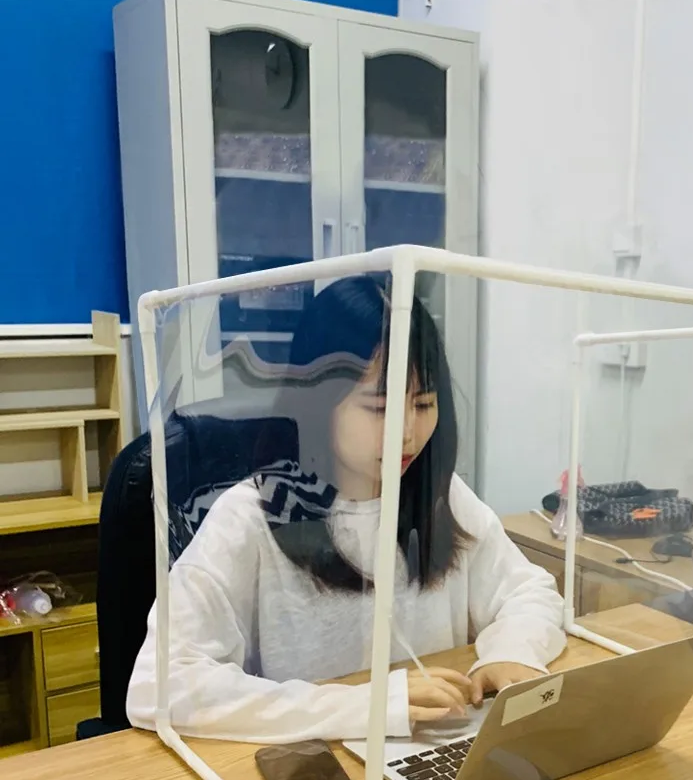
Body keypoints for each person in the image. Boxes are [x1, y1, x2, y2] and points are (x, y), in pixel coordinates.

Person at [126, 275, 566, 743]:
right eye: (379, 408)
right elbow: (160, 684)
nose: (407, 432)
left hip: (432, 745)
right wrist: (367, 706)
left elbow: (530, 591)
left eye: (423, 404)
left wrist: (511, 649)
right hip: (316, 762)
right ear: (317, 402)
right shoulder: (251, 517)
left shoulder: (440, 495)